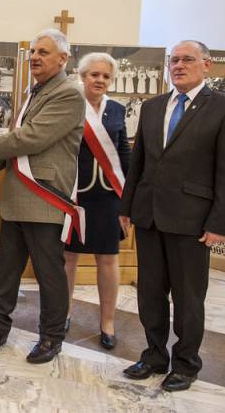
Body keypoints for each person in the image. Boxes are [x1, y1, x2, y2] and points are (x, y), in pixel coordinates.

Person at [119, 40, 225, 392]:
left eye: (187, 59)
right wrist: (126, 207)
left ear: (207, 65)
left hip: (192, 221)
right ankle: (154, 356)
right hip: (149, 217)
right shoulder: (153, 106)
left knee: (188, 298)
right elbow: (138, 163)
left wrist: (220, 223)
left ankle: (186, 364)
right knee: (149, 294)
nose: (179, 65)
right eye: (174, 60)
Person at [0, 28, 85, 364]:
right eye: (33, 51)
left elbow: (31, 139)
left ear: (62, 59)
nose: (34, 57)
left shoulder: (68, 94)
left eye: (43, 52)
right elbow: (16, 145)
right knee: (5, 272)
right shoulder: (34, 92)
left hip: (45, 198)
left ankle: (51, 337)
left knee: (49, 275)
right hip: (16, 198)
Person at [63, 52, 130, 350]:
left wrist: (128, 199)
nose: (100, 80)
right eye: (94, 74)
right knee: (68, 257)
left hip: (108, 196)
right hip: (75, 194)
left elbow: (123, 152)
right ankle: (63, 314)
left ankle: (107, 323)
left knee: (108, 258)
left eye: (106, 76)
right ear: (83, 76)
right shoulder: (69, 104)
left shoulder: (116, 109)